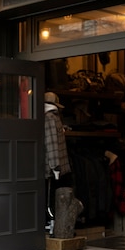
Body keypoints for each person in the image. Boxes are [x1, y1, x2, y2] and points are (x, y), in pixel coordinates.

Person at [44, 91, 73, 236]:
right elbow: (52, 144)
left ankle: (51, 222)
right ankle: (51, 222)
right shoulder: (50, 118)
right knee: (51, 195)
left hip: (53, 165)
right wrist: (55, 167)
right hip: (52, 166)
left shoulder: (50, 117)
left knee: (52, 194)